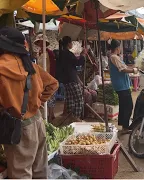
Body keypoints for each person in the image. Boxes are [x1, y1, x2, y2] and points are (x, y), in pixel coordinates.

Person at [0, 26, 58, 178]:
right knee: (40, 170)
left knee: (21, 173)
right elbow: (53, 84)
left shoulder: (1, 69)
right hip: (37, 122)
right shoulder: (31, 66)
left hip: (17, 126)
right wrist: (37, 102)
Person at [109, 40, 138, 133]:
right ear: (117, 48)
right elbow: (122, 69)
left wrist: (134, 67)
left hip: (122, 85)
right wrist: (133, 70)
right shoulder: (114, 57)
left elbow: (124, 66)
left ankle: (123, 125)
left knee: (123, 105)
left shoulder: (116, 57)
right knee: (128, 106)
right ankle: (125, 127)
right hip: (121, 86)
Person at [59, 36, 85, 121]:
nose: (72, 44)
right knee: (79, 99)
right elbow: (78, 63)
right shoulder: (68, 54)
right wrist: (82, 55)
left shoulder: (61, 53)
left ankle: (70, 117)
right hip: (71, 79)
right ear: (68, 44)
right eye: (71, 43)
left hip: (65, 80)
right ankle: (75, 117)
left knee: (70, 99)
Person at [34, 34, 57, 121]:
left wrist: (52, 77)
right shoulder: (39, 53)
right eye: (39, 42)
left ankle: (51, 115)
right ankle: (45, 115)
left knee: (50, 97)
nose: (40, 44)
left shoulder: (50, 53)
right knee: (42, 97)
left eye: (42, 42)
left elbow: (53, 66)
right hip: (40, 78)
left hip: (49, 77)